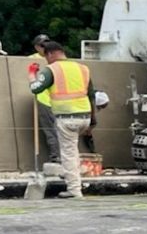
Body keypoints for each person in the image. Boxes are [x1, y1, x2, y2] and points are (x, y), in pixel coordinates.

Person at [28, 41, 96, 199]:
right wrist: (92, 121)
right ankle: (74, 179)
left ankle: (74, 190)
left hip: (67, 118)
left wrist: (32, 74)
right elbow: (91, 95)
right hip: (84, 116)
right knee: (73, 151)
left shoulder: (52, 69)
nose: (47, 60)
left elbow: (35, 88)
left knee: (68, 154)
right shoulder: (83, 68)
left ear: (50, 54)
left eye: (46, 57)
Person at [28, 34, 61, 164]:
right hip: (44, 100)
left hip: (57, 101)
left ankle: (58, 158)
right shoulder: (33, 59)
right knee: (52, 132)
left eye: (48, 43)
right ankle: (56, 158)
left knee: (60, 133)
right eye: (42, 45)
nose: (45, 47)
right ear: (36, 47)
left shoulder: (54, 60)